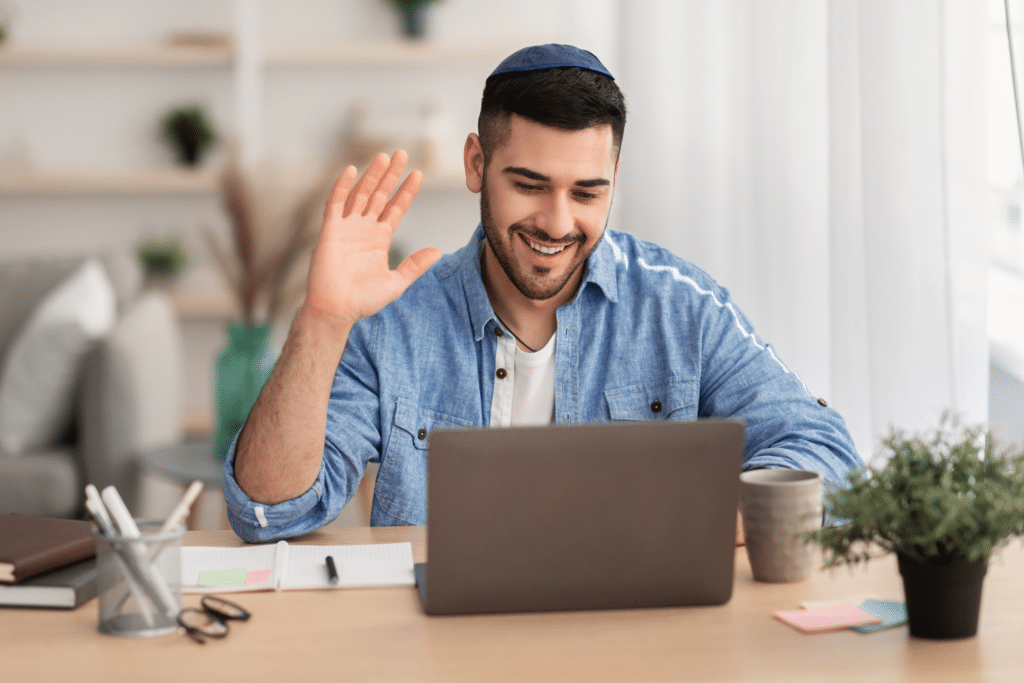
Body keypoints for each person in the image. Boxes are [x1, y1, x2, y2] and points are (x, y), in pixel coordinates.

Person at [224, 44, 861, 544]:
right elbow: (268, 512)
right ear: (476, 164)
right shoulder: (393, 321)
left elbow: (826, 451)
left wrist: (724, 516)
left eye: (586, 192)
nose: (557, 223)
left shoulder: (682, 307)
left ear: (614, 177)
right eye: (529, 184)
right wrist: (322, 320)